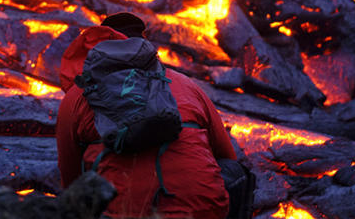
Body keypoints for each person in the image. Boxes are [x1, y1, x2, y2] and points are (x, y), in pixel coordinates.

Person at [56, 12, 237, 219]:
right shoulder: (184, 84)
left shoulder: (77, 96)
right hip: (201, 209)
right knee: (235, 172)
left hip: (120, 213)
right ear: (146, 47)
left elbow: (70, 178)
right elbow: (227, 156)